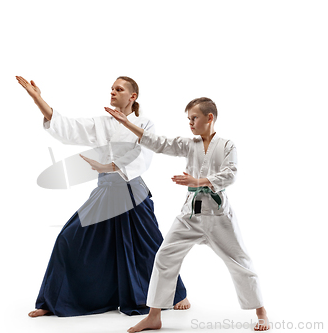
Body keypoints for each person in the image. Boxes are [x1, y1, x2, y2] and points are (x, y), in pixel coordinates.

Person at [15, 75, 190, 317]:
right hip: (106, 190)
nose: (113, 92)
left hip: (132, 191)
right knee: (68, 239)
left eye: (119, 89)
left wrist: (111, 167)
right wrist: (38, 99)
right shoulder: (102, 123)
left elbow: (144, 155)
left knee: (149, 245)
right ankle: (54, 300)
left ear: (133, 96)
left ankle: (176, 294)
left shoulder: (145, 124)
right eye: (111, 88)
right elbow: (68, 127)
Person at [105, 97, 270, 331]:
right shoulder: (189, 144)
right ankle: (154, 315)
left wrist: (198, 180)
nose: (190, 123)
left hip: (218, 217)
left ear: (209, 117)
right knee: (164, 257)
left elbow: (230, 174)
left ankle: (261, 311)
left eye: (194, 118)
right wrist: (127, 123)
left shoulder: (227, 145)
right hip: (189, 216)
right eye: (189, 119)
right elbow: (159, 143)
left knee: (240, 262)